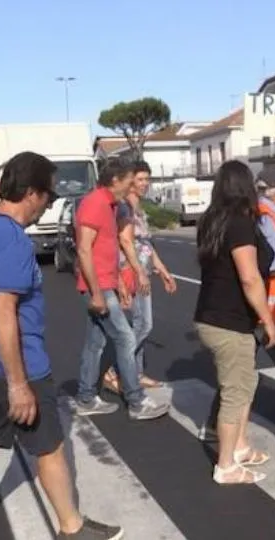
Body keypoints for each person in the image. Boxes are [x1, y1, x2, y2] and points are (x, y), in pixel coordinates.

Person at [0, 151, 122, 540]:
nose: (48, 204)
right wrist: (18, 384)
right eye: (48, 197)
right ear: (31, 193)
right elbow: (4, 313)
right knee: (49, 449)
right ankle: (72, 528)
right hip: (21, 370)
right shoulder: (14, 242)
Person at [198, 168, 275, 442]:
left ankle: (213, 426)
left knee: (237, 371)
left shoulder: (234, 218)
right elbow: (262, 269)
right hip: (271, 306)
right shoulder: (261, 218)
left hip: (251, 308)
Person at [194, 160, 275, 485]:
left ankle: (239, 446)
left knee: (246, 383)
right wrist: (268, 320)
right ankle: (226, 465)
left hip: (212, 316)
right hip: (229, 320)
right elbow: (249, 278)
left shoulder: (212, 221)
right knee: (236, 391)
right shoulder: (240, 224)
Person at [73, 157, 169, 421]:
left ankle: (86, 396)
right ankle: (136, 401)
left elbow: (107, 251)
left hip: (105, 282)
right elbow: (84, 249)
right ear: (115, 180)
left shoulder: (110, 204)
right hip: (97, 285)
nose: (132, 185)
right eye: (129, 180)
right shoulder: (95, 204)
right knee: (126, 337)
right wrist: (96, 292)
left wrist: (117, 284)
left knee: (95, 343)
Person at [101, 160, 176, 393]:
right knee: (143, 324)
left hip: (141, 272)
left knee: (140, 323)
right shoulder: (123, 207)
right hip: (130, 273)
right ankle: (114, 368)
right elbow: (122, 242)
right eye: (140, 179)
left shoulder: (139, 209)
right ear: (130, 180)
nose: (144, 183)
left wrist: (162, 271)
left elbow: (146, 244)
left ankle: (136, 372)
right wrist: (129, 277)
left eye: (147, 179)